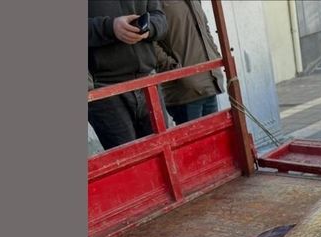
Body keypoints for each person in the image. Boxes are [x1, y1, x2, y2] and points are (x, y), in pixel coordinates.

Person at [88, 1, 168, 150]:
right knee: (131, 165)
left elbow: (161, 19)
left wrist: (148, 28)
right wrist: (110, 27)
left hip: (148, 82)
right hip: (105, 89)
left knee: (162, 155)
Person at [153, 0, 225, 124]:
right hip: (184, 91)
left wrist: (215, 55)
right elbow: (149, 43)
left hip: (209, 82)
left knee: (213, 141)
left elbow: (204, 28)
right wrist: (173, 68)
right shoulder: (153, 3)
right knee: (196, 142)